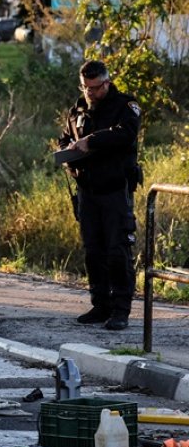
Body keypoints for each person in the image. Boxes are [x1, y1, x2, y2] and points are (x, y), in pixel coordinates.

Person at [59, 60, 141, 331]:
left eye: (94, 88)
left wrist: (91, 141)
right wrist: (68, 149)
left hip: (115, 190)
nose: (89, 93)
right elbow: (65, 136)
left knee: (117, 250)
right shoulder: (78, 109)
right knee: (93, 250)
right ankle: (100, 304)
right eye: (85, 88)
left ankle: (120, 310)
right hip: (88, 190)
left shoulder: (125, 106)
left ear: (106, 83)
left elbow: (126, 135)